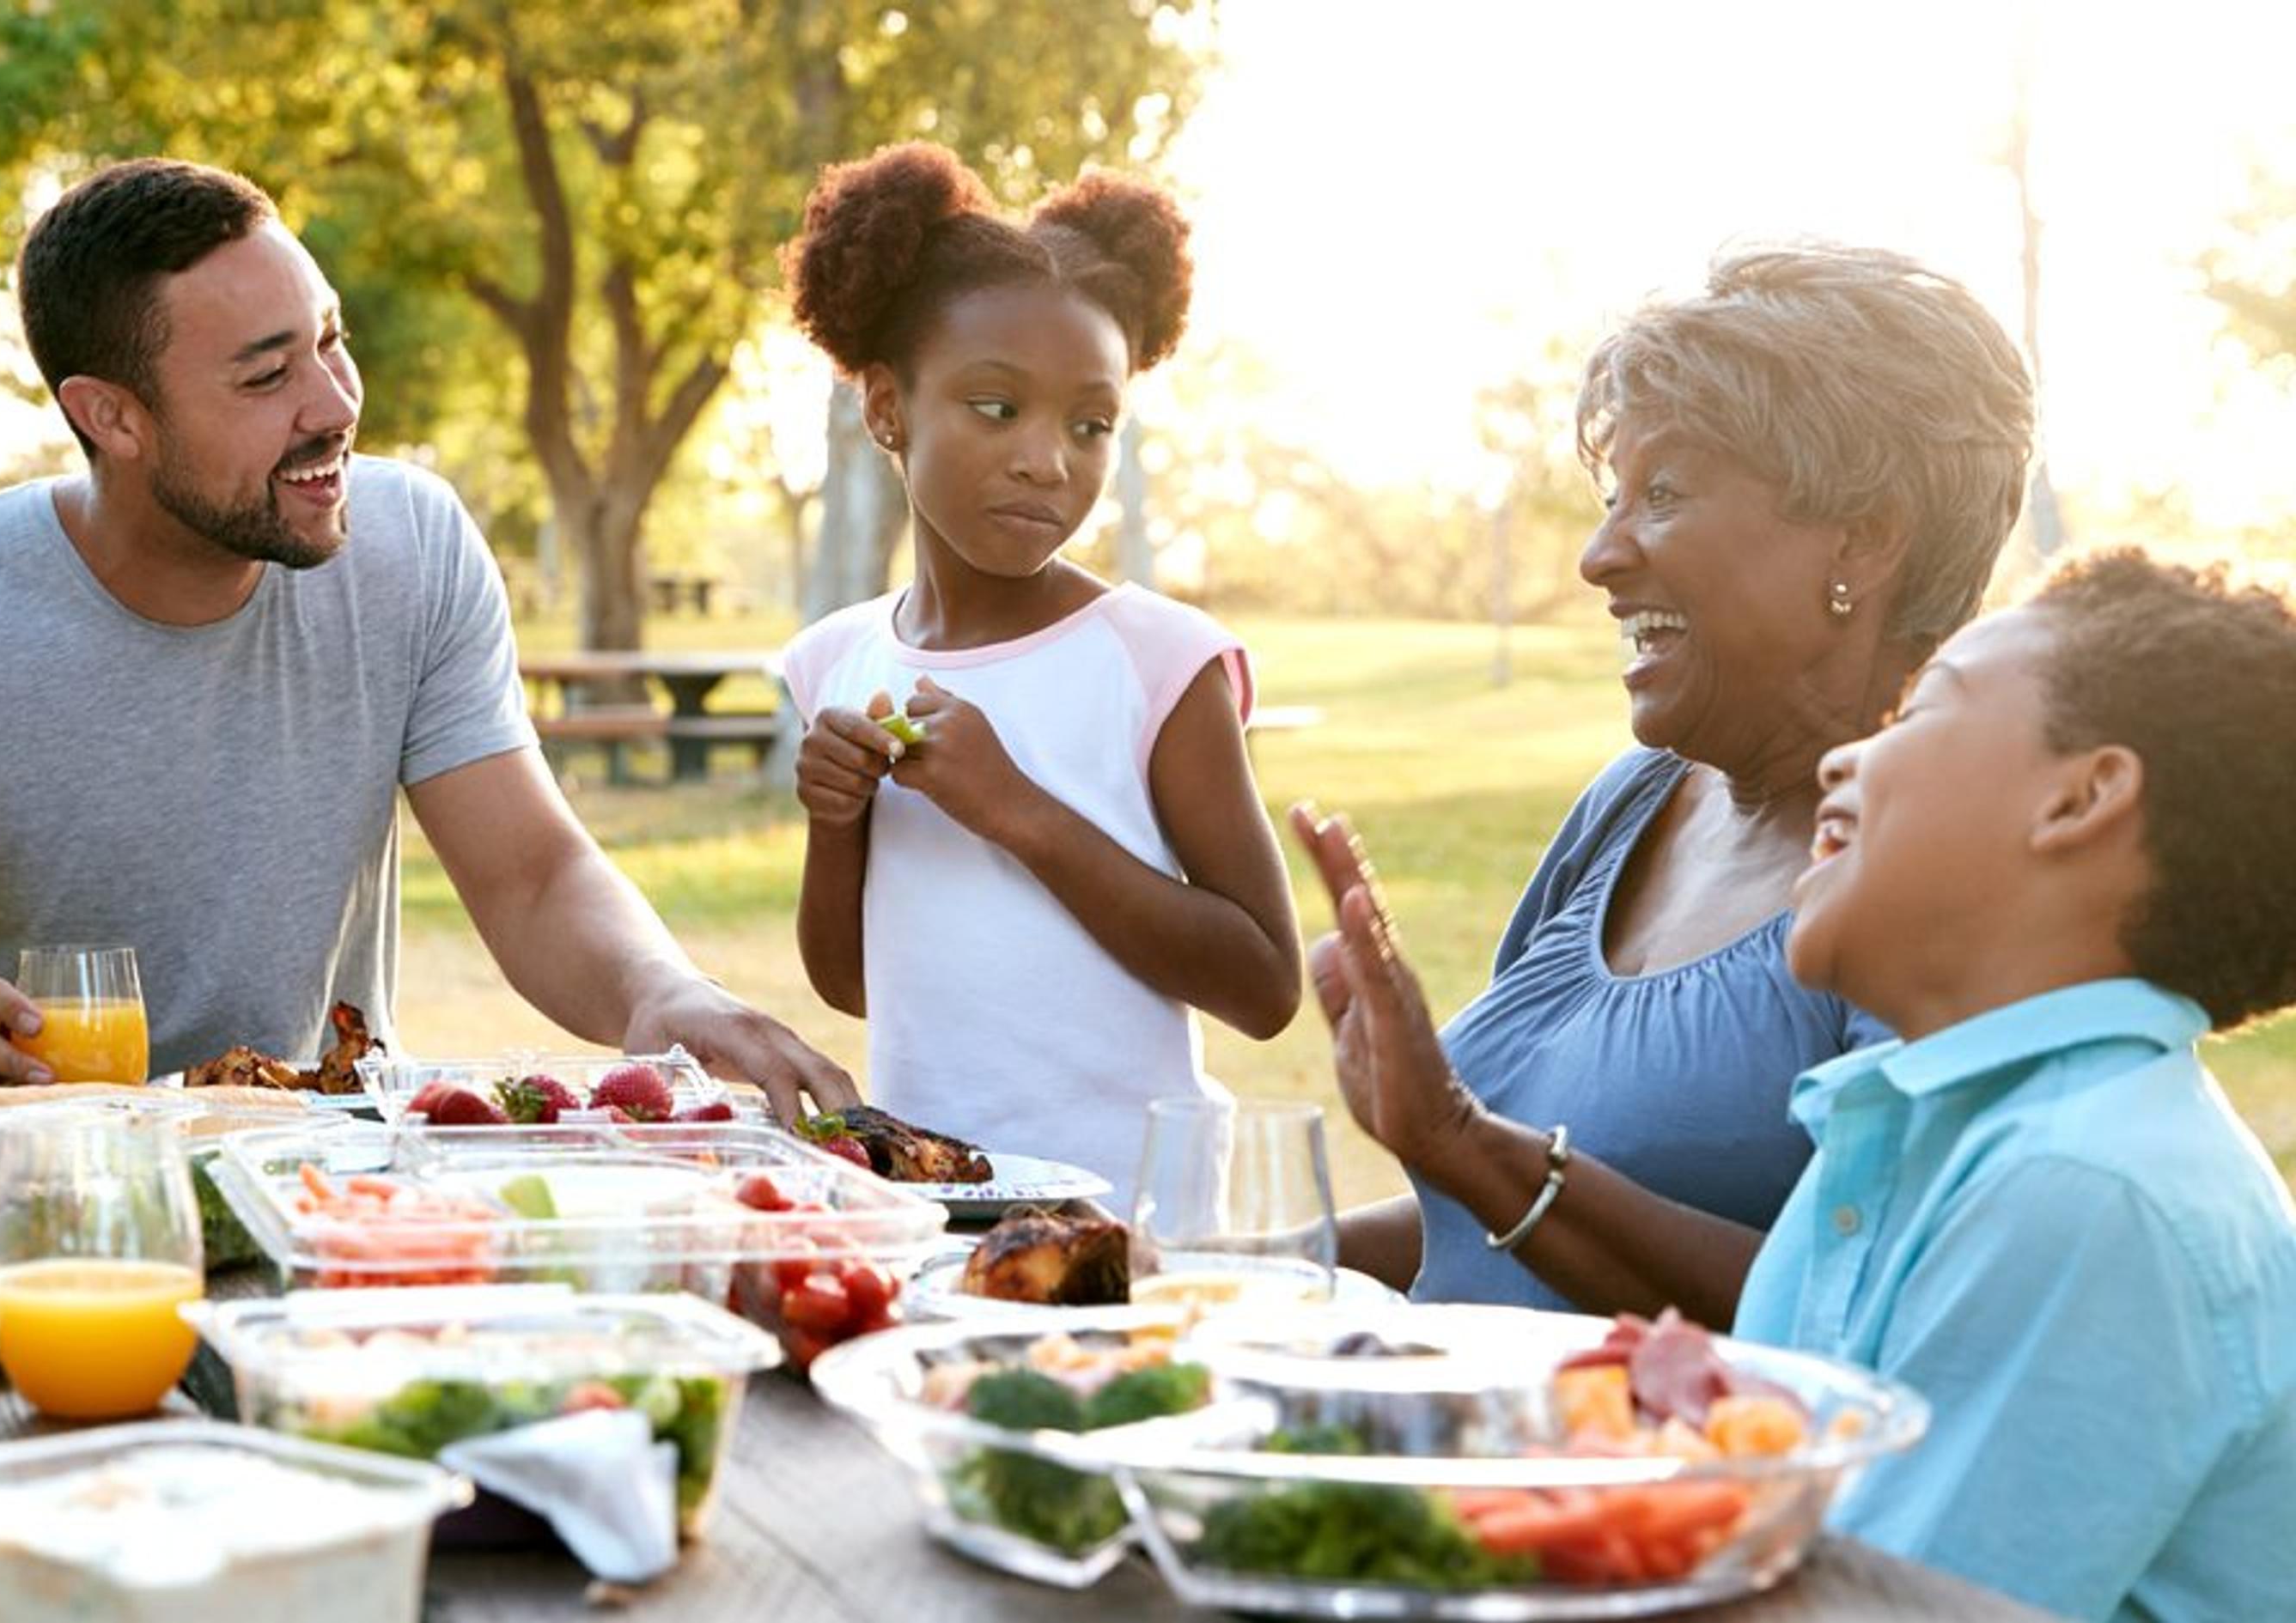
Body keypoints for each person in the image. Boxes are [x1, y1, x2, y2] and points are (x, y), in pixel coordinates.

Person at [0, 158, 857, 1115]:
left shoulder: (411, 545)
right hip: (47, 1210)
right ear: (113, 417)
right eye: (267, 374)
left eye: (331, 340)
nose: (334, 403)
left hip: (332, 1179)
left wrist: (662, 993)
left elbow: (529, 876)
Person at [1317, 549, 2296, 1620]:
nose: (1844, 763)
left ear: (2079, 799)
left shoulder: (2095, 1191)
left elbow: (1846, 1603)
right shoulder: (1910, 1131)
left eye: (1923, 712)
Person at [1291, 244, 2036, 1320]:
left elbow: (1872, 1315)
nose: (1598, 555)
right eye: (1612, 496)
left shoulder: (1940, 877)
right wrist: (1215, 1263)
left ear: (1864, 541)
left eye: (1665, 493)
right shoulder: (1634, 802)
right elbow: (1484, 1218)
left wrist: (1463, 1138)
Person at [774, 144, 1300, 1195]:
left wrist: (1018, 811)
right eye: (997, 408)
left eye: (1090, 424)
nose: (1046, 461)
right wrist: (837, 822)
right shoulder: (838, 661)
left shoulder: (1158, 662)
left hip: (1132, 1222)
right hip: (931, 1199)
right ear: (886, 408)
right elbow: (853, 983)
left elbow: (1263, 984)